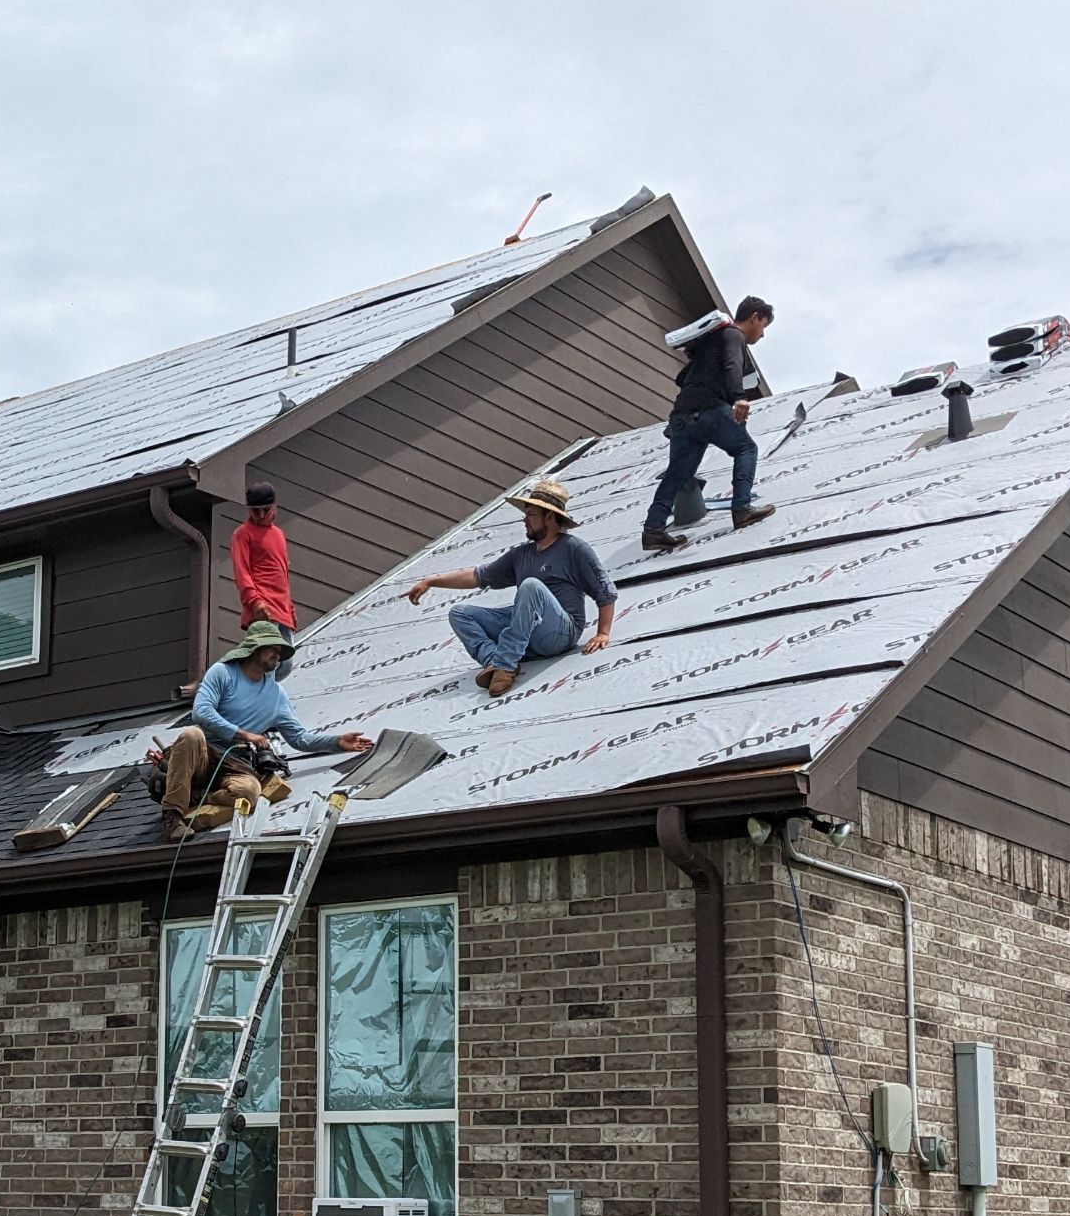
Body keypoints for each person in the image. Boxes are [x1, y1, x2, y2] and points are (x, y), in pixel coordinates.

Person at [157, 619, 374, 838]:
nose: (278, 655)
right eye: (273, 648)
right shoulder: (223, 672)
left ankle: (195, 795)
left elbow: (299, 738)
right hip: (204, 752)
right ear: (255, 648)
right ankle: (173, 817)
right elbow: (201, 712)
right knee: (191, 734)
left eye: (280, 651)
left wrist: (337, 742)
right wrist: (243, 734)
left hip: (236, 762)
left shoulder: (276, 695)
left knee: (249, 792)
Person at [402, 478, 615, 695]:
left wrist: (603, 633)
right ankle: (494, 661)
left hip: (560, 633)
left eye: (531, 515)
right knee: (460, 613)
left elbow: (604, 591)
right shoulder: (521, 555)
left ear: (549, 517)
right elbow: (477, 576)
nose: (525, 520)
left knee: (531, 586)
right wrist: (432, 581)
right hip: (527, 636)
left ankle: (505, 665)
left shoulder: (574, 549)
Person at [644, 296, 777, 553]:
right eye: (764, 327)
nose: (762, 335)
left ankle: (653, 530)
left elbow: (682, 378)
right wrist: (739, 397)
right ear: (756, 317)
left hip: (682, 415)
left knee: (677, 473)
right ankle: (742, 509)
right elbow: (732, 365)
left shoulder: (709, 343)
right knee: (746, 449)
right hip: (709, 409)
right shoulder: (733, 335)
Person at [231, 481, 294, 630]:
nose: (260, 515)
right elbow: (242, 572)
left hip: (284, 614)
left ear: (274, 506)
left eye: (265, 510)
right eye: (255, 511)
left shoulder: (279, 534)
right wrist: (255, 602)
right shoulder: (243, 533)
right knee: (267, 653)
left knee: (287, 653)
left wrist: (290, 609)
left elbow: (283, 574)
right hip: (262, 610)